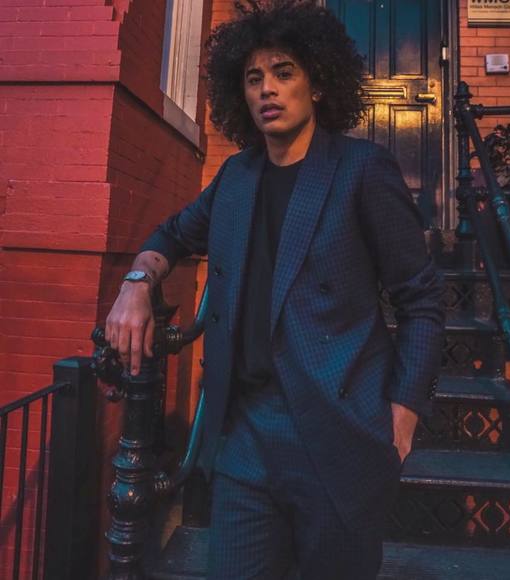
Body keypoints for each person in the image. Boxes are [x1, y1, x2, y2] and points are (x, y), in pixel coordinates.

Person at [105, 0, 445, 578]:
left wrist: (404, 412)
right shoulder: (235, 178)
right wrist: (137, 282)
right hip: (245, 433)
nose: (267, 88)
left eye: (284, 72)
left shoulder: (362, 170)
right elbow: (172, 234)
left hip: (339, 429)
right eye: (253, 77)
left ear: (318, 83)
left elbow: (421, 299)